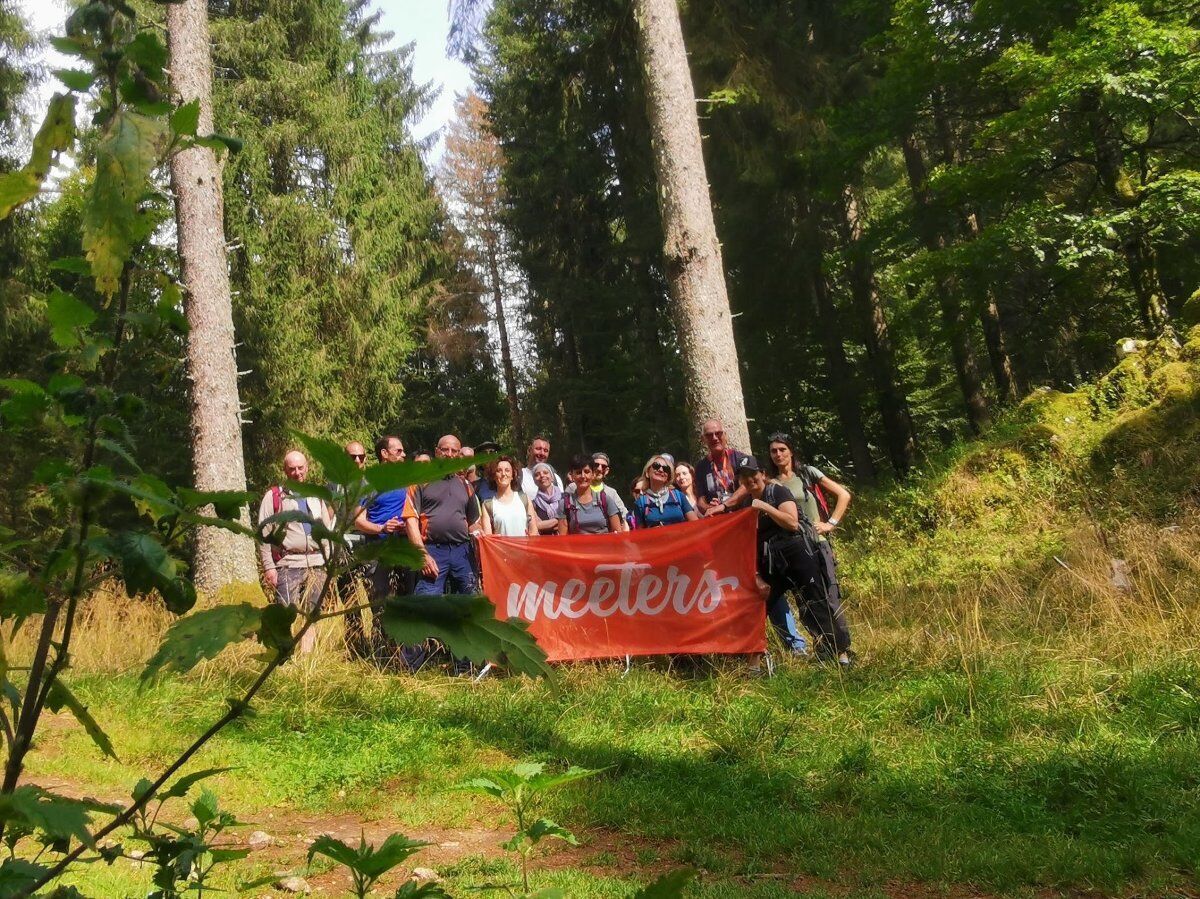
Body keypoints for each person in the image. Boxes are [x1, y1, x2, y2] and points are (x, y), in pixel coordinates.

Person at [736, 456, 852, 665]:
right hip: (770, 561)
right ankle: (753, 665)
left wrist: (765, 507)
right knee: (756, 607)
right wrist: (757, 575)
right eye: (744, 476)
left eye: (753, 474)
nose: (750, 479)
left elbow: (792, 523)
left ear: (762, 474)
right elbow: (747, 543)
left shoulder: (777, 492)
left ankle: (839, 654)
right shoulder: (745, 504)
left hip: (797, 553)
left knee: (815, 602)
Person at [765, 431, 852, 652]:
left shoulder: (806, 474)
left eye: (782, 449)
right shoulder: (771, 483)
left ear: (791, 451)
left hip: (817, 543)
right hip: (794, 549)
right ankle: (823, 649)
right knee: (806, 600)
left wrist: (830, 523)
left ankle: (843, 649)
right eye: (773, 451)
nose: (778, 454)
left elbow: (843, 495)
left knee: (829, 596)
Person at [256, 450, 337, 655]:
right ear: (285, 470)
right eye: (292, 469)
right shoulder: (274, 496)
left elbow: (326, 530)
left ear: (307, 468)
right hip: (288, 563)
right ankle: (284, 655)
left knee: (312, 613)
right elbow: (263, 534)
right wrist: (269, 567)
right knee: (285, 613)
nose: (297, 473)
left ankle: (306, 656)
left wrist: (329, 562)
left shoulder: (317, 496)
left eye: (300, 468)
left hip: (317, 563)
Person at [353, 434, 417, 665]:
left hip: (404, 550)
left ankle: (408, 657)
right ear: (384, 454)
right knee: (381, 605)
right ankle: (382, 658)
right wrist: (382, 527)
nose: (403, 455)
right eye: (398, 451)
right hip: (378, 551)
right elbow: (357, 521)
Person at [694, 418, 752, 516]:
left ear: (725, 435)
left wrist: (724, 505)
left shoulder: (740, 459)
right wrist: (710, 508)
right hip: (720, 520)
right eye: (709, 435)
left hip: (743, 515)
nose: (714, 438)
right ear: (703, 439)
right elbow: (700, 501)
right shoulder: (701, 467)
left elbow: (747, 486)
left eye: (718, 433)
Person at [557, 454, 622, 535]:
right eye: (578, 472)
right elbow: (563, 538)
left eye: (587, 472)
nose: (583, 476)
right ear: (572, 476)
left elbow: (617, 533)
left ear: (593, 474)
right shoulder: (565, 504)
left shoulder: (605, 500)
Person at [633, 454, 698, 528]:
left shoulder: (678, 496)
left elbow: (696, 524)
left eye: (666, 469)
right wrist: (651, 531)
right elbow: (640, 533)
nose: (661, 470)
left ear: (668, 477)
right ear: (647, 473)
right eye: (656, 466)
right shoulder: (640, 503)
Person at [481, 456, 538, 537]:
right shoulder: (488, 505)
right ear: (494, 476)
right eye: (499, 471)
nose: (503, 474)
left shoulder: (524, 499)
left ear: (513, 475)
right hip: (500, 546)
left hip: (524, 545)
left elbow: (534, 531)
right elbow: (488, 537)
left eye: (507, 470)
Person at [530, 462, 562, 535]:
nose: (542, 475)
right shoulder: (533, 504)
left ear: (552, 478)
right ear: (534, 481)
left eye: (545, 472)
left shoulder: (565, 498)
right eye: (537, 474)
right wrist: (560, 519)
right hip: (544, 540)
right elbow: (537, 525)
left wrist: (546, 525)